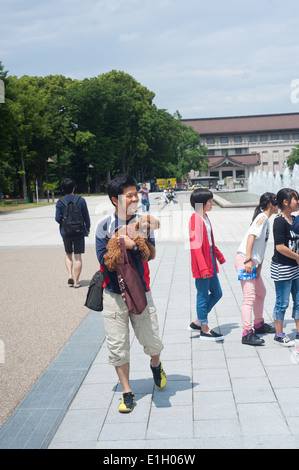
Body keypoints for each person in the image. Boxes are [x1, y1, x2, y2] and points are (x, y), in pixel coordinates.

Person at [95, 174, 166, 413]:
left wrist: (133, 245)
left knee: (151, 339)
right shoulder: (104, 227)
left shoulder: (144, 223)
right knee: (118, 346)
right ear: (116, 200)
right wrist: (117, 243)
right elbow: (102, 262)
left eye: (136, 193)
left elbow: (150, 254)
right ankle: (127, 391)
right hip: (114, 293)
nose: (135, 198)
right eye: (129, 195)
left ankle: (156, 364)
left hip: (140, 291)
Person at [235, 193, 278, 346]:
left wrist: (258, 266)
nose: (279, 206)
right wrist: (247, 260)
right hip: (245, 261)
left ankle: (258, 324)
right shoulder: (262, 218)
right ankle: (247, 332)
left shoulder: (265, 219)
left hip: (252, 263)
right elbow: (251, 237)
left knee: (261, 293)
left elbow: (261, 246)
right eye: (277, 203)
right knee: (249, 297)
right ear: (271, 205)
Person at [188, 188, 226, 340]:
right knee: (202, 295)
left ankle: (198, 321)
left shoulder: (205, 217)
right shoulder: (194, 219)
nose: (211, 203)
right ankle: (204, 328)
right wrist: (203, 267)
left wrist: (219, 255)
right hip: (201, 262)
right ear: (201, 203)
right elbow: (195, 246)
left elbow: (210, 241)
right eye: (209, 201)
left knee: (217, 293)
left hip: (209, 258)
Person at [270, 188, 299, 347]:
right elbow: (280, 247)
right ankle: (279, 334)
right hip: (283, 268)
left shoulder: (294, 219)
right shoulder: (279, 221)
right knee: (282, 302)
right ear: (286, 202)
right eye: (296, 199)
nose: (298, 202)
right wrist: (297, 257)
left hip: (295, 267)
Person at [55, 178, 90, 288]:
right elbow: (86, 216)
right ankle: (76, 281)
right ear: (73, 188)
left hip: (66, 232)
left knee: (68, 254)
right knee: (78, 257)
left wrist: (65, 223)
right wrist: (87, 228)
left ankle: (69, 274)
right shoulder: (81, 200)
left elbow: (57, 218)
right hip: (79, 231)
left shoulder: (60, 202)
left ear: (63, 189)